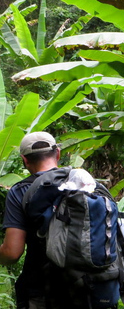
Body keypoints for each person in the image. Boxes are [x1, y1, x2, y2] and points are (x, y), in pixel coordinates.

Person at [0, 132, 60, 309]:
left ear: (24, 160)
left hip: (42, 290)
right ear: (58, 153)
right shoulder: (86, 184)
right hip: (92, 288)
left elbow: (12, 253)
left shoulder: (21, 191)